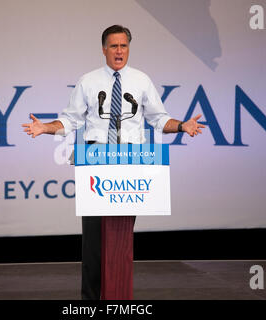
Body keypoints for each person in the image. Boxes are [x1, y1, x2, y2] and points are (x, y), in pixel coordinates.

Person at [22, 25, 205, 300]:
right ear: (104, 49)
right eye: (114, 46)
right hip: (96, 162)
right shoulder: (88, 81)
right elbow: (71, 119)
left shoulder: (142, 81)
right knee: (94, 242)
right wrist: (45, 128)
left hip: (130, 163)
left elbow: (158, 119)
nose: (119, 51)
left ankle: (118, 299)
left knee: (121, 239)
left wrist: (181, 125)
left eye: (124, 46)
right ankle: (92, 301)